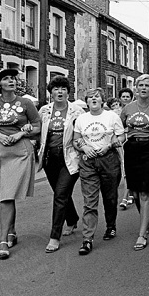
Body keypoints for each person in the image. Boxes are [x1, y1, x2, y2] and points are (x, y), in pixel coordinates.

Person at [0, 69, 41, 260]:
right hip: (0, 151)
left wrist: (22, 133)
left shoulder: (25, 103)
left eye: (13, 78)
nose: (11, 81)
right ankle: (10, 232)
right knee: (7, 195)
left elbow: (37, 125)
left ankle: (3, 240)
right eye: (6, 78)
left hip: (20, 151)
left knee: (7, 195)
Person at [73, 88, 125, 255]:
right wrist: (84, 147)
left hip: (109, 159)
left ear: (103, 100)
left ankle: (111, 226)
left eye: (97, 97)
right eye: (90, 97)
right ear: (86, 102)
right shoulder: (81, 119)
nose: (93, 99)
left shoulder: (112, 117)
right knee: (90, 201)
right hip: (88, 162)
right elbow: (76, 140)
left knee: (110, 198)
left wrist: (109, 145)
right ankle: (87, 239)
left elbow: (121, 136)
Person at [37, 75, 85, 253]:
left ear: (67, 92)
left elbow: (82, 132)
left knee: (60, 194)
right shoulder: (44, 111)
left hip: (70, 157)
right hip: (50, 158)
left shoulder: (77, 111)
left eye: (63, 89)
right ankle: (72, 219)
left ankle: (54, 237)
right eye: (56, 89)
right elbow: (37, 131)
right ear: (51, 92)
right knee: (61, 194)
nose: (60, 92)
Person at [121, 74, 149, 251]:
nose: (144, 88)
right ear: (136, 89)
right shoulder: (128, 108)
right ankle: (145, 223)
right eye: (141, 85)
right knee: (136, 193)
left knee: (145, 193)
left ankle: (142, 234)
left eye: (147, 85)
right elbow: (120, 128)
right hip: (131, 149)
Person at [117, 88, 134, 209]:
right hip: (120, 142)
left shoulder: (134, 110)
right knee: (124, 168)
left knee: (128, 168)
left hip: (132, 141)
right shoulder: (116, 112)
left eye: (128, 97)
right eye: (123, 97)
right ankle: (130, 193)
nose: (126, 99)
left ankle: (125, 196)